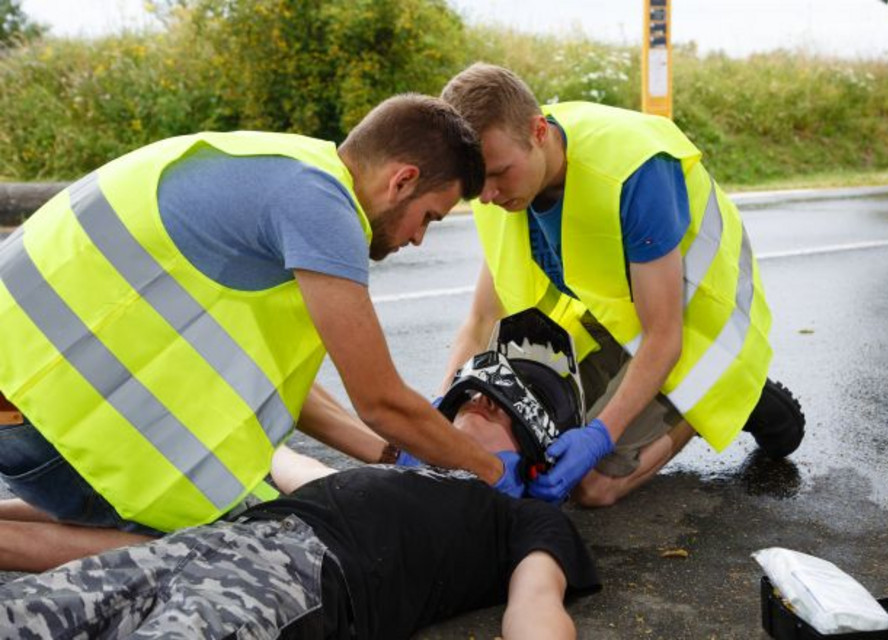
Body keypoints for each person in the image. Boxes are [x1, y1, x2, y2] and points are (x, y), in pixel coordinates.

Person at [0, 93, 524, 572]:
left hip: (24, 390)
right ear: (402, 180)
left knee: (224, 506)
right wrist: (494, 473)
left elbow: (275, 385)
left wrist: (390, 455)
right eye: (428, 217)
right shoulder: (322, 208)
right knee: (232, 550)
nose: (418, 239)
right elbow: (382, 399)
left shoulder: (289, 169)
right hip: (36, 409)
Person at [0, 355, 600, 640]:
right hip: (211, 544)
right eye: (469, 397)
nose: (477, 404)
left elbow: (537, 606)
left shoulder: (521, 517)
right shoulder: (389, 476)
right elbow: (278, 456)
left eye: (495, 408)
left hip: (298, 583)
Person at [439, 64, 806, 507]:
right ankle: (674, 394)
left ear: (538, 132)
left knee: (593, 486)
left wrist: (599, 436)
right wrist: (441, 412)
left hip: (693, 323)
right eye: (478, 184)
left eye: (499, 174)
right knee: (520, 435)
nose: (488, 196)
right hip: (610, 314)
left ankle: (720, 394)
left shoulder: (635, 172)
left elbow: (664, 335)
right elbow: (481, 319)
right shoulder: (495, 177)